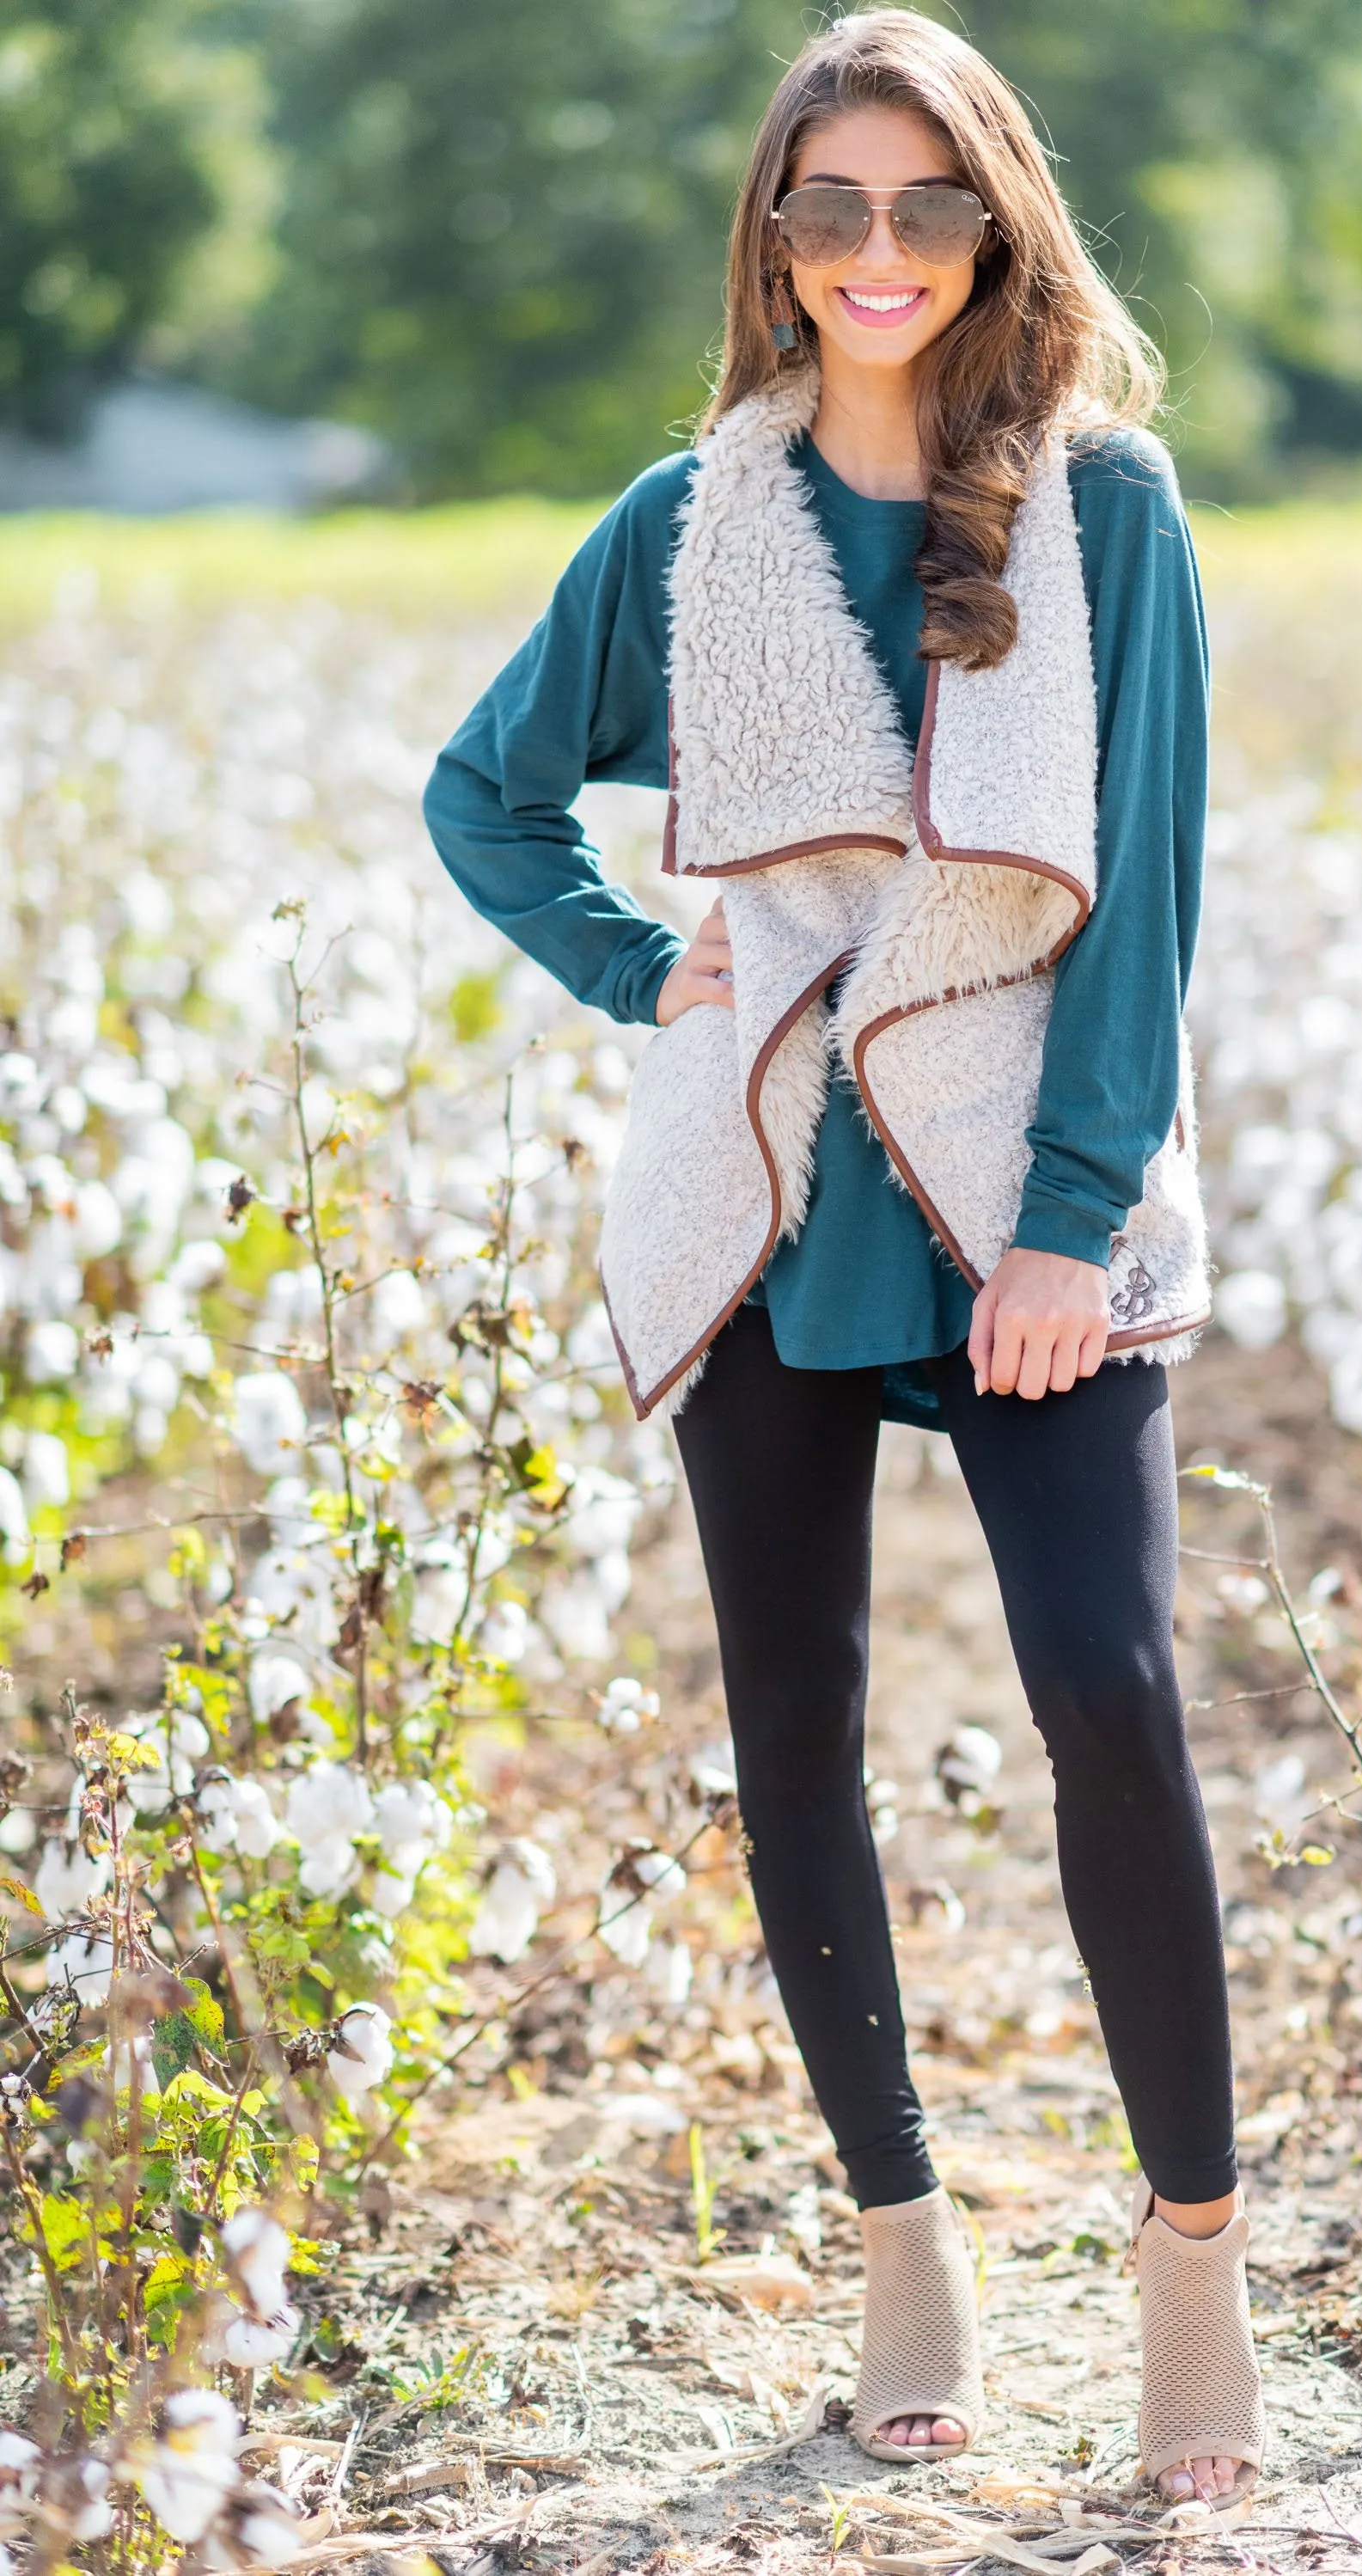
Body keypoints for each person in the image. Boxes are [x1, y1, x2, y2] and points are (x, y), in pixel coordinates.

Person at [424, 7, 1262, 2509]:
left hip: (1024, 1162)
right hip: (773, 1159)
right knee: (790, 1724)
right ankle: (902, 2234)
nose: (875, 252)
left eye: (922, 204)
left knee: (1110, 1687)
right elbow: (485, 796)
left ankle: (1193, 2266)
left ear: (993, 220)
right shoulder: (688, 523)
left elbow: (1152, 900)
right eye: (828, 207)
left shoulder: (1113, 515)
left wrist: (1071, 1225)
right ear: (773, 242)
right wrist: (627, 963)